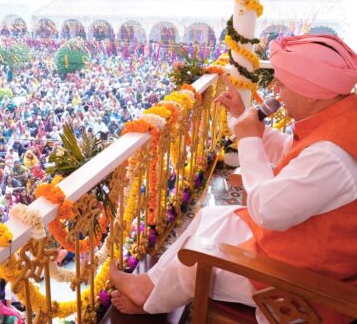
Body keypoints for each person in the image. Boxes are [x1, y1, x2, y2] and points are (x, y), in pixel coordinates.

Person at [110, 34, 357, 324]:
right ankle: (149, 285)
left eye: (282, 84)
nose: (275, 91)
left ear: (311, 92)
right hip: (300, 244)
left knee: (196, 260)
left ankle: (150, 300)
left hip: (305, 280)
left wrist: (249, 139)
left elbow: (267, 211)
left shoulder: (332, 156)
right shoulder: (340, 120)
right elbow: (290, 151)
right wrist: (242, 117)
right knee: (211, 217)